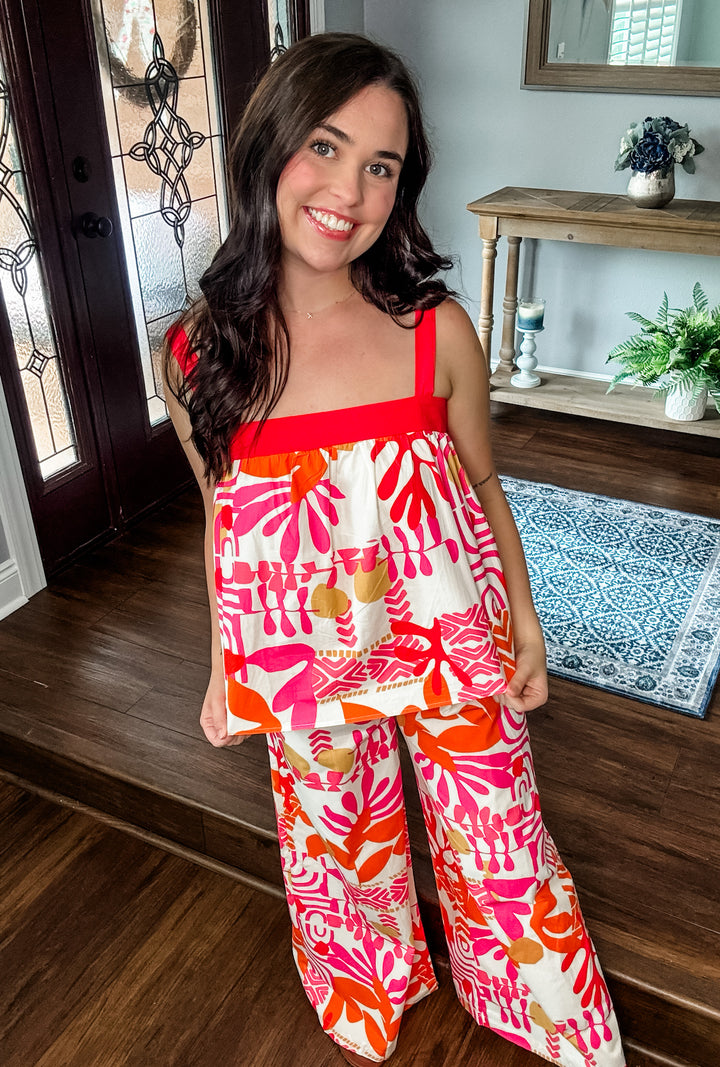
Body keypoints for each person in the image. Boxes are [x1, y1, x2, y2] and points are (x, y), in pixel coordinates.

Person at [164, 32, 626, 1067]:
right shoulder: (196, 354)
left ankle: (542, 1006)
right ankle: (366, 981)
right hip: (302, 652)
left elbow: (485, 488)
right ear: (268, 147)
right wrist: (225, 664)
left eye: (382, 166)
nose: (349, 191)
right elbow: (222, 519)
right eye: (325, 147)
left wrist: (527, 622)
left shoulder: (435, 330)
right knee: (335, 838)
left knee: (496, 830)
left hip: (452, 632)